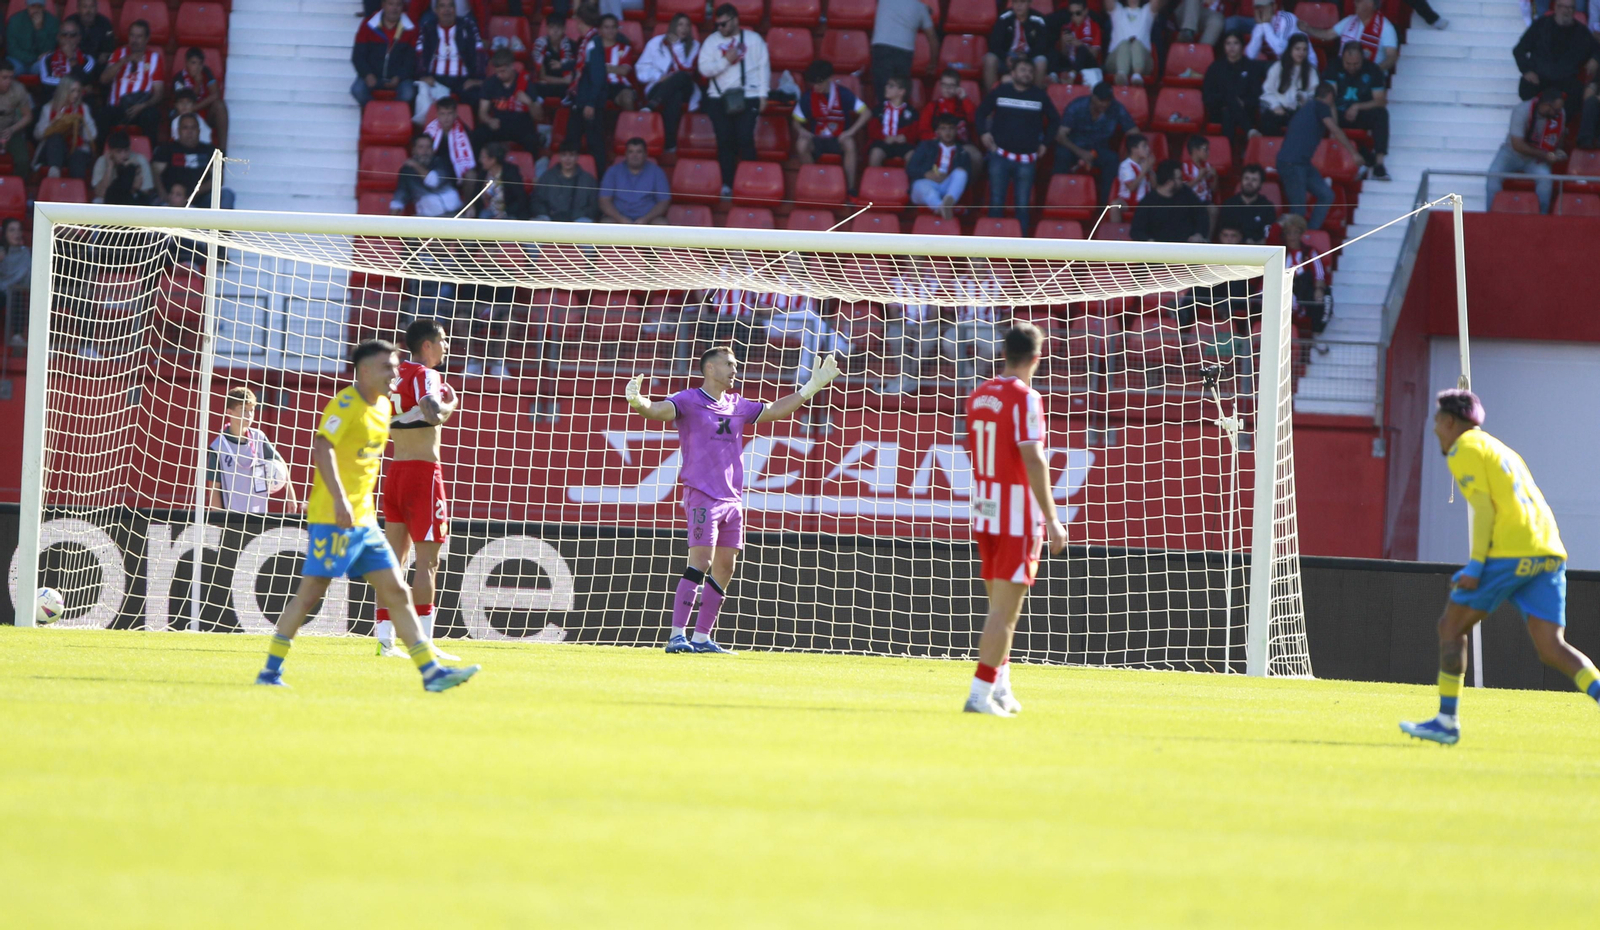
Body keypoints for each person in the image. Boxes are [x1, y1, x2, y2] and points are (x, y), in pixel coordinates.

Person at [254, 340, 480, 691]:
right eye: (386, 367)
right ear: (363, 370)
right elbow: (322, 446)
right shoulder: (346, 404)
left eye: (395, 366)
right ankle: (270, 671)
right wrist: (341, 501)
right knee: (309, 595)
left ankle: (431, 673)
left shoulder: (382, 408)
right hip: (334, 517)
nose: (394, 373)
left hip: (364, 519)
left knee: (397, 591)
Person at [1399, 390, 1600, 745]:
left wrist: (1477, 566)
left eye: (1436, 423)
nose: (1434, 431)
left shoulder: (1464, 450)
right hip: (1548, 549)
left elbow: (1485, 510)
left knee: (1451, 626)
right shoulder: (1500, 449)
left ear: (1449, 422)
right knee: (1552, 648)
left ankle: (1446, 721)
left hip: (1512, 550)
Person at [623, 346, 842, 654]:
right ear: (709, 369)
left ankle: (701, 637)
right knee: (701, 562)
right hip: (702, 496)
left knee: (725, 567)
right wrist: (638, 401)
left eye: (735, 365)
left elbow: (775, 411)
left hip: (732, 500)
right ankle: (676, 635)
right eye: (728, 364)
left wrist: (811, 387)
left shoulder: (737, 404)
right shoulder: (689, 400)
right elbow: (657, 411)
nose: (734, 370)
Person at [961, 322, 1068, 716]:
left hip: (984, 510)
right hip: (1017, 517)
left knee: (997, 607)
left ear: (1003, 352)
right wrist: (1053, 519)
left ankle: (1002, 687)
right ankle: (979, 695)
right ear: (1037, 358)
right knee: (1004, 613)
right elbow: (1033, 456)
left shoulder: (979, 394)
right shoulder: (1026, 398)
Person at [374, 319, 463, 660]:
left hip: (395, 470)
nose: (446, 346)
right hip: (424, 474)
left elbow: (387, 418)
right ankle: (424, 643)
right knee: (428, 562)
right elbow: (432, 412)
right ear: (426, 345)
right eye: (442, 341)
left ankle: (385, 641)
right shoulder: (428, 375)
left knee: (394, 562)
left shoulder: (393, 377)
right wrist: (451, 404)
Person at [978, 56, 1058, 232]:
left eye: (1030, 71)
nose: (1027, 74)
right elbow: (980, 113)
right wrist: (984, 134)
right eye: (1023, 70)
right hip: (1000, 156)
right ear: (1013, 73)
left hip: (1027, 160)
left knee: (1022, 205)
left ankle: (1020, 251)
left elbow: (1054, 120)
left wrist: (1045, 143)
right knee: (996, 202)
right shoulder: (1000, 91)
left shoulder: (1039, 95)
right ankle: (993, 245)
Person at [698, 4, 769, 198]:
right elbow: (704, 69)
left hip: (749, 96)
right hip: (718, 98)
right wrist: (726, 61)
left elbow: (763, 68)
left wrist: (763, 95)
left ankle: (751, 183)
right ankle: (728, 184)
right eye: (717, 24)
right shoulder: (711, 42)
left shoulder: (754, 40)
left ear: (735, 20)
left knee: (745, 139)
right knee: (725, 141)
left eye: (723, 24)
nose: (720, 28)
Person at [1276, 81, 1358, 230]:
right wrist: (1353, 153)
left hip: (1300, 163)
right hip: (1293, 163)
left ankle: (1310, 233)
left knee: (1326, 195)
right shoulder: (1320, 107)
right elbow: (1334, 129)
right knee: (1298, 211)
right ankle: (1294, 243)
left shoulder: (1309, 107)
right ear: (1330, 96)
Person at [207, 386, 301, 515]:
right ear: (229, 412)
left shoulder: (259, 438)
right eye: (243, 410)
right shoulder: (218, 447)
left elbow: (280, 463)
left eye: (251, 410)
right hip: (231, 517)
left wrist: (291, 496)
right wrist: (218, 518)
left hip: (258, 515)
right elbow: (214, 488)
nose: (249, 415)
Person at [794, 60, 869, 198]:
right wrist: (801, 130)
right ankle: (815, 182)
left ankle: (850, 188)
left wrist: (850, 132)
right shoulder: (809, 96)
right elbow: (796, 120)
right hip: (817, 138)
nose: (816, 86)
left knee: (850, 143)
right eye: (813, 83)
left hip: (838, 138)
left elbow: (866, 113)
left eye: (820, 82)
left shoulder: (843, 93)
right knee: (801, 144)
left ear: (829, 79)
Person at [1488, 86, 1568, 214]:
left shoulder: (1560, 114)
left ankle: (1542, 218)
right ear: (1546, 105)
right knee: (1493, 174)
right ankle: (1490, 214)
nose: (1558, 113)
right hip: (1512, 153)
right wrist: (1545, 155)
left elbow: (1558, 138)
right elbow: (1517, 144)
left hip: (1536, 158)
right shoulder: (1522, 110)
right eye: (1556, 110)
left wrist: (1557, 152)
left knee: (1545, 180)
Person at [1513, 0, 1597, 121]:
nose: (1567, 11)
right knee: (1527, 87)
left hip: (1565, 80)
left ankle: (1561, 127)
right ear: (1556, 8)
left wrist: (1595, 59)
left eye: (1571, 8)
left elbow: (1596, 49)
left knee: (1578, 93)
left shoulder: (1581, 32)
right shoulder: (1540, 25)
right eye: (1564, 7)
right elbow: (1519, 50)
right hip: (1539, 77)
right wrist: (1526, 71)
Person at [1058, 81, 1136, 203]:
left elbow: (1134, 132)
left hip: (1099, 149)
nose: (1105, 104)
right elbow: (1060, 135)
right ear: (1093, 97)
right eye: (1101, 100)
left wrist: (1133, 151)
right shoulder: (1077, 105)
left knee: (1112, 159)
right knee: (1061, 155)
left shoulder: (1116, 107)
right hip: (1075, 147)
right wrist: (1081, 152)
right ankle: (1058, 199)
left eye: (1108, 100)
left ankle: (1104, 206)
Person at [635, 13, 700, 153]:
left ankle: (652, 105)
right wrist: (659, 76)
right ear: (673, 26)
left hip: (686, 88)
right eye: (680, 24)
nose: (684, 28)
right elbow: (640, 69)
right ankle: (670, 144)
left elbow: (687, 70)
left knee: (681, 76)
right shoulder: (656, 43)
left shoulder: (695, 45)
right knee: (674, 96)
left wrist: (677, 47)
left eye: (687, 25)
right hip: (659, 86)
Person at [413, 0, 485, 120]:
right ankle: (425, 133)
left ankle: (469, 133)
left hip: (462, 80)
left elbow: (479, 52)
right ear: (436, 11)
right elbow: (419, 52)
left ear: (455, 9)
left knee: (476, 96)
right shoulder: (428, 27)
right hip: (436, 79)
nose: (447, 10)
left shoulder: (467, 26)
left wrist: (476, 79)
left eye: (450, 6)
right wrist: (423, 75)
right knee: (414, 93)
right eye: (442, 6)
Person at [1330, 42, 1391, 181]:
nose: (1351, 67)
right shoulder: (1333, 66)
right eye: (1348, 63)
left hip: (1361, 113)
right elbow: (1329, 98)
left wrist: (1357, 106)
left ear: (1363, 59)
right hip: (1337, 113)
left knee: (1381, 114)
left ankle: (1379, 163)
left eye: (1356, 63)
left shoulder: (1373, 70)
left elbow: (1380, 100)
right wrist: (1333, 126)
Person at [100, 19, 165, 140]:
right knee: (102, 114)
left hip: (141, 108)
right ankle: (99, 153)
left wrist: (143, 105)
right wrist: (125, 60)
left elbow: (159, 94)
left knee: (152, 115)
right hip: (118, 108)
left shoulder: (155, 58)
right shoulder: (119, 53)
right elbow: (104, 79)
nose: (134, 40)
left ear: (147, 39)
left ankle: (151, 155)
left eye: (139, 36)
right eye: (132, 36)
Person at [351, 0, 419, 106]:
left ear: (403, 7)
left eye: (398, 4)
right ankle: (373, 112)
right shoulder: (368, 24)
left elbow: (412, 60)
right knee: (357, 90)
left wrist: (399, 77)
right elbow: (358, 56)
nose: (394, 8)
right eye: (390, 4)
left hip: (398, 79)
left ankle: (393, 115)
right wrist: (367, 74)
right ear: (383, 5)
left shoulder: (411, 28)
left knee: (408, 93)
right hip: (373, 76)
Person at [1203, 32, 1262, 155]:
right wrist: (1228, 100)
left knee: (1228, 111)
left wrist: (1243, 102)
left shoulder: (1251, 67)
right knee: (1227, 101)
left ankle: (1227, 154)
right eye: (1228, 43)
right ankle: (1249, 131)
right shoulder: (1215, 67)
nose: (1231, 47)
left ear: (1242, 46)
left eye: (1235, 43)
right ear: (1223, 46)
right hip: (1218, 111)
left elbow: (1257, 96)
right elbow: (1207, 96)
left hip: (1245, 111)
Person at [870, 0, 939, 103]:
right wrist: (932, 64)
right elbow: (932, 38)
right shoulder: (921, 8)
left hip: (882, 48)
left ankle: (884, 116)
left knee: (883, 96)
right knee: (900, 97)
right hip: (904, 53)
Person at [478, 48, 544, 156]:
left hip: (521, 125)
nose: (499, 75)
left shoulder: (525, 82)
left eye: (503, 71)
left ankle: (532, 169)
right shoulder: (490, 83)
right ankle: (478, 170)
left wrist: (529, 103)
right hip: (499, 125)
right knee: (478, 135)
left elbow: (539, 116)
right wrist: (489, 120)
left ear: (512, 66)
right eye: (497, 72)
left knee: (532, 140)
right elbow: (482, 112)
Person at [154, 114, 229, 208]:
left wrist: (197, 191)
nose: (189, 132)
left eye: (193, 128)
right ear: (178, 131)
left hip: (201, 200)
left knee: (227, 195)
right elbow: (155, 172)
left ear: (199, 131)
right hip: (172, 199)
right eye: (185, 128)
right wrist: (163, 194)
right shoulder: (167, 149)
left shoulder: (209, 150)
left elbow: (218, 178)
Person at [918, 69, 984, 175]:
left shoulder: (964, 104)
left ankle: (966, 189)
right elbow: (923, 130)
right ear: (940, 86)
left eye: (951, 85)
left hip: (961, 145)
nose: (947, 89)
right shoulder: (932, 106)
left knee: (976, 156)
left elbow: (974, 119)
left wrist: (964, 98)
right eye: (944, 85)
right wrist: (937, 140)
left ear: (958, 87)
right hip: (937, 143)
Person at [1303, 0, 1397, 75]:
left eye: (1359, 1)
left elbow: (1391, 57)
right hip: (1344, 74)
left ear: (1371, 4)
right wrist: (1307, 29)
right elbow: (1327, 34)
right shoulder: (1349, 20)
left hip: (1370, 80)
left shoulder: (1386, 27)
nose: (1354, 3)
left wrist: (1373, 71)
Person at [907, 114, 971, 219]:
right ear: (938, 132)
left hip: (947, 187)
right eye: (944, 129)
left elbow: (967, 179)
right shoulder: (926, 146)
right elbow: (911, 168)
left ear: (956, 131)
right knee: (926, 189)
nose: (948, 132)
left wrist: (948, 176)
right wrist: (926, 174)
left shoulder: (962, 153)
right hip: (926, 183)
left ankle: (947, 203)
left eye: (951, 128)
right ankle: (942, 207)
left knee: (961, 173)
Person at [1281, 213, 1329, 351]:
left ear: (1301, 234)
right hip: (1286, 289)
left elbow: (1319, 273)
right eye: (1288, 233)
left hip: (1306, 290)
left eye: (1295, 233)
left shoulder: (1310, 252)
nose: (1292, 236)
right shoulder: (1281, 252)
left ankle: (1317, 335)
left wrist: (1319, 289)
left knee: (1325, 297)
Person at [1131, 159, 1208, 242]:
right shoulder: (1148, 203)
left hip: (1187, 249)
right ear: (1169, 182)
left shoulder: (1186, 193)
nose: (1182, 181)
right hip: (1160, 251)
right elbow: (1136, 231)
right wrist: (1149, 240)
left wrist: (1198, 234)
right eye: (1179, 178)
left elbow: (1201, 215)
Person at [34, 76, 95, 180]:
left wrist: (80, 127)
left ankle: (77, 189)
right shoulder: (48, 108)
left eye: (78, 91)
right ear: (64, 91)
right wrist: (53, 123)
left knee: (78, 155)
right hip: (53, 152)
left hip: (75, 150)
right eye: (72, 91)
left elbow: (92, 135)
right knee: (55, 137)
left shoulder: (83, 108)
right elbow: (37, 134)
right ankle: (54, 173)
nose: (76, 95)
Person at [600, 137, 671, 224]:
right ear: (625, 154)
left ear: (646, 154)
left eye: (639, 152)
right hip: (618, 218)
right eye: (631, 152)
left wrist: (645, 219)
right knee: (606, 223)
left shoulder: (657, 172)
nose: (635, 156)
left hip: (648, 219)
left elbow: (664, 201)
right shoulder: (612, 172)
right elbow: (604, 200)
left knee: (662, 223)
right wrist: (620, 219)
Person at [392, 133, 464, 216]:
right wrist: (390, 221)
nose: (425, 151)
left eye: (428, 147)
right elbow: (400, 196)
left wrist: (415, 165)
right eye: (421, 147)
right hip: (428, 218)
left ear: (433, 149)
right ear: (413, 150)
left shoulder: (441, 162)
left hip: (454, 214)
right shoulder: (406, 171)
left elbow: (433, 181)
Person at [986, 0, 1051, 91]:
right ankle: (991, 96)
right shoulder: (1004, 17)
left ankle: (1035, 97)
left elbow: (1043, 46)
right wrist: (1005, 57)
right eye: (1015, 2)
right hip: (1009, 56)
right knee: (990, 58)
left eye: (1022, 2)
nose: (1018, 5)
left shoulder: (1038, 19)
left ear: (1029, 3)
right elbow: (994, 43)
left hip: (1030, 57)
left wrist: (1027, 57)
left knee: (1041, 61)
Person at [1258, 34, 1315, 137]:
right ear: (1290, 49)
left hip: (1298, 112)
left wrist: (1305, 98)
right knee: (1268, 119)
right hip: (1277, 110)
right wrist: (1276, 106)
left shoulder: (1311, 71)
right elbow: (1267, 92)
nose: (1301, 53)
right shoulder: (1278, 67)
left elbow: (1314, 94)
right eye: (1297, 49)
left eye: (1304, 49)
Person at [172, 47, 228, 149]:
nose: (197, 67)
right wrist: (197, 84)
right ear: (187, 63)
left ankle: (223, 149)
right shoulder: (179, 78)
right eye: (193, 63)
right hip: (186, 115)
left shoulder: (206, 72)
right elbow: (186, 102)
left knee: (220, 105)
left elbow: (216, 95)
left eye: (200, 64)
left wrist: (195, 108)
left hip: (204, 113)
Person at [1237, 0, 1316, 71]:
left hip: (1305, 66)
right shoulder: (1260, 26)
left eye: (1264, 7)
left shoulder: (1287, 19)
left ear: (1273, 6)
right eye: (1257, 8)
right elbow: (1250, 56)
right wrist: (1262, 26)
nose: (1261, 10)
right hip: (1282, 65)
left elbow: (1281, 50)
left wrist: (1265, 25)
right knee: (1249, 68)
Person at [534, 139, 599, 221]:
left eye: (571, 155)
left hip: (578, 220)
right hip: (550, 219)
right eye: (564, 155)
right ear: (559, 157)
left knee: (585, 222)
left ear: (577, 157)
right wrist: (546, 214)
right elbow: (536, 201)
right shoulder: (547, 177)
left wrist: (577, 215)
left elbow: (594, 206)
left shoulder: (588, 180)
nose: (567, 159)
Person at [462, 141, 531, 219]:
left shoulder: (511, 172)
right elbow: (476, 193)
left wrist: (505, 213)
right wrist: (472, 207)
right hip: (487, 212)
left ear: (493, 160)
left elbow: (520, 198)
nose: (480, 160)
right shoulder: (483, 173)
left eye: (483, 157)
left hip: (508, 213)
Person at [1218, 162, 1278, 243]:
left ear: (1261, 184)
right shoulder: (1229, 204)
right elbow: (1223, 233)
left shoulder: (1267, 207)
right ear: (1241, 180)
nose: (1249, 183)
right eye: (1246, 178)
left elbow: (1268, 236)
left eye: (1254, 180)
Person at [1105, 0, 1161, 85]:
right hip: (1115, 61)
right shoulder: (1118, 9)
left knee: (1136, 43)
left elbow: (1157, 2)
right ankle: (1121, 76)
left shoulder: (1146, 11)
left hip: (1143, 62)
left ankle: (1137, 76)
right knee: (1125, 44)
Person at [92, 130, 154, 205]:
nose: (123, 155)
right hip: (109, 201)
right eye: (119, 151)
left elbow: (145, 192)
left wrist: (129, 169)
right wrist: (109, 167)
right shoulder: (102, 161)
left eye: (126, 150)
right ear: (111, 152)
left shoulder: (140, 160)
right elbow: (101, 193)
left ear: (130, 148)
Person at [867, 75, 918, 167]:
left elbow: (915, 131)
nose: (886, 88)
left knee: (912, 155)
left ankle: (910, 181)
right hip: (883, 143)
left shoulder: (911, 112)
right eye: (887, 85)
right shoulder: (879, 109)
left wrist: (906, 137)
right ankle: (874, 180)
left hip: (903, 144)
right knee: (875, 154)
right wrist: (884, 137)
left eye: (891, 86)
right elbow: (872, 129)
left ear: (901, 92)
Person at [1048, 0, 1102, 84]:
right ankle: (1053, 76)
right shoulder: (1066, 27)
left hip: (1089, 64)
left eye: (1078, 13)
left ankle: (1071, 76)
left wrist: (1078, 43)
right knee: (1053, 52)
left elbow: (1095, 54)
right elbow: (1064, 53)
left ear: (1085, 11)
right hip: (1072, 62)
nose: (1074, 16)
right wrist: (1064, 42)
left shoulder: (1094, 26)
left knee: (1082, 50)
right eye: (1071, 13)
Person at [423, 94, 475, 181]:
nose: (446, 118)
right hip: (435, 168)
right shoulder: (430, 131)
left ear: (455, 114)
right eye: (442, 114)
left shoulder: (465, 133)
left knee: (471, 175)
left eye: (449, 114)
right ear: (438, 115)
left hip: (455, 170)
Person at [530, 13, 579, 101]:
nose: (555, 31)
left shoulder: (572, 45)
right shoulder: (540, 46)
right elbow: (542, 76)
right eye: (552, 27)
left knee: (574, 89)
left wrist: (567, 81)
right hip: (549, 83)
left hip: (566, 86)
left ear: (564, 29)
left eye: (559, 27)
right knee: (536, 86)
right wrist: (563, 81)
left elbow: (573, 74)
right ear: (547, 29)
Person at [64, 0, 115, 79]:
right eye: (85, 7)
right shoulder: (70, 22)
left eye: (92, 6)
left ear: (97, 8)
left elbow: (108, 51)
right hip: (75, 61)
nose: (88, 11)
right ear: (78, 8)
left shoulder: (105, 23)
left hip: (97, 66)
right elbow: (64, 45)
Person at [39, 16, 93, 90]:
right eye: (64, 35)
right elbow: (46, 83)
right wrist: (74, 85)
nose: (68, 38)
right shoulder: (46, 59)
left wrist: (71, 58)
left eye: (72, 35)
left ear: (79, 38)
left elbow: (85, 80)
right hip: (55, 100)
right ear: (58, 37)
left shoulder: (88, 60)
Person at [1108, 131, 1152, 221]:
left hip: (1145, 202)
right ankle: (1116, 233)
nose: (1148, 149)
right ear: (1134, 149)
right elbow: (1131, 187)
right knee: (1115, 205)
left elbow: (1155, 186)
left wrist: (1150, 170)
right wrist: (1144, 171)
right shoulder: (1126, 165)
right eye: (1144, 146)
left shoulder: (1145, 164)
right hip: (1127, 201)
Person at [7, 0, 58, 74]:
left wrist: (39, 30)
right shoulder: (15, 20)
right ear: (27, 5)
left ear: (44, 7)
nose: (36, 10)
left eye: (39, 6)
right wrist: (34, 58)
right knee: (16, 68)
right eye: (33, 6)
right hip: (18, 60)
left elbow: (49, 50)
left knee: (42, 67)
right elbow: (12, 49)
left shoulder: (52, 21)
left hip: (39, 62)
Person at [0, 62, 32, 179]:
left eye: (11, 77)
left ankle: (17, 190)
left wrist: (12, 130)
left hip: (11, 130)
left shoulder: (18, 89)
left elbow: (28, 116)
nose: (8, 81)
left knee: (23, 160)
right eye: (4, 78)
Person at [1181, 134, 1219, 231]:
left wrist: (1215, 176)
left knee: (1213, 210)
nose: (1208, 152)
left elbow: (1214, 189)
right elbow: (1182, 189)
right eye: (1205, 149)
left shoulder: (1208, 166)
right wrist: (1199, 177)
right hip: (1188, 201)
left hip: (1205, 201)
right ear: (1195, 150)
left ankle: (1207, 240)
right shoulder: (1185, 166)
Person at [0, 217, 26, 349]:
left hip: (16, 293)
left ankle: (17, 335)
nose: (17, 233)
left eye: (19, 230)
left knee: (16, 293)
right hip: (1, 292)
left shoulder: (26, 253)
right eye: (12, 230)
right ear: (4, 234)